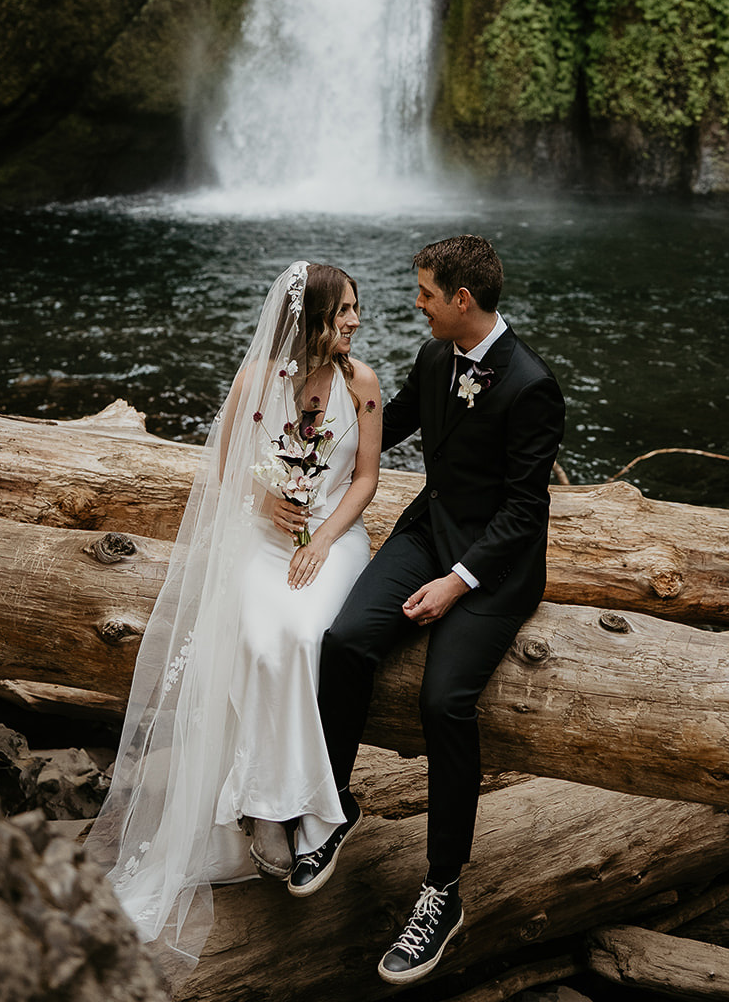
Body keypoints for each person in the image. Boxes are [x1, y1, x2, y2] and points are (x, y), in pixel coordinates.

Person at [286, 235, 565, 987]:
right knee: (343, 641)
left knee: (445, 700)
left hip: (494, 567)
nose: (415, 303)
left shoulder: (531, 386)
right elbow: (384, 421)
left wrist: (458, 583)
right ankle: (335, 805)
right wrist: (303, 404)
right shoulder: (435, 356)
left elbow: (523, 512)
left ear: (461, 301)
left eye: (425, 293)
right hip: (425, 530)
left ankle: (441, 892)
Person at [87, 260, 381, 971]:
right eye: (342, 310)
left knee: (305, 635)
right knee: (258, 638)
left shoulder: (361, 385)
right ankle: (273, 813)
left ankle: (302, 812)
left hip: (334, 539)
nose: (354, 321)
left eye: (354, 310)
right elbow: (227, 473)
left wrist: (323, 540)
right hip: (259, 542)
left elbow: (366, 478)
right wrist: (265, 506)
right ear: (309, 319)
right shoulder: (257, 384)